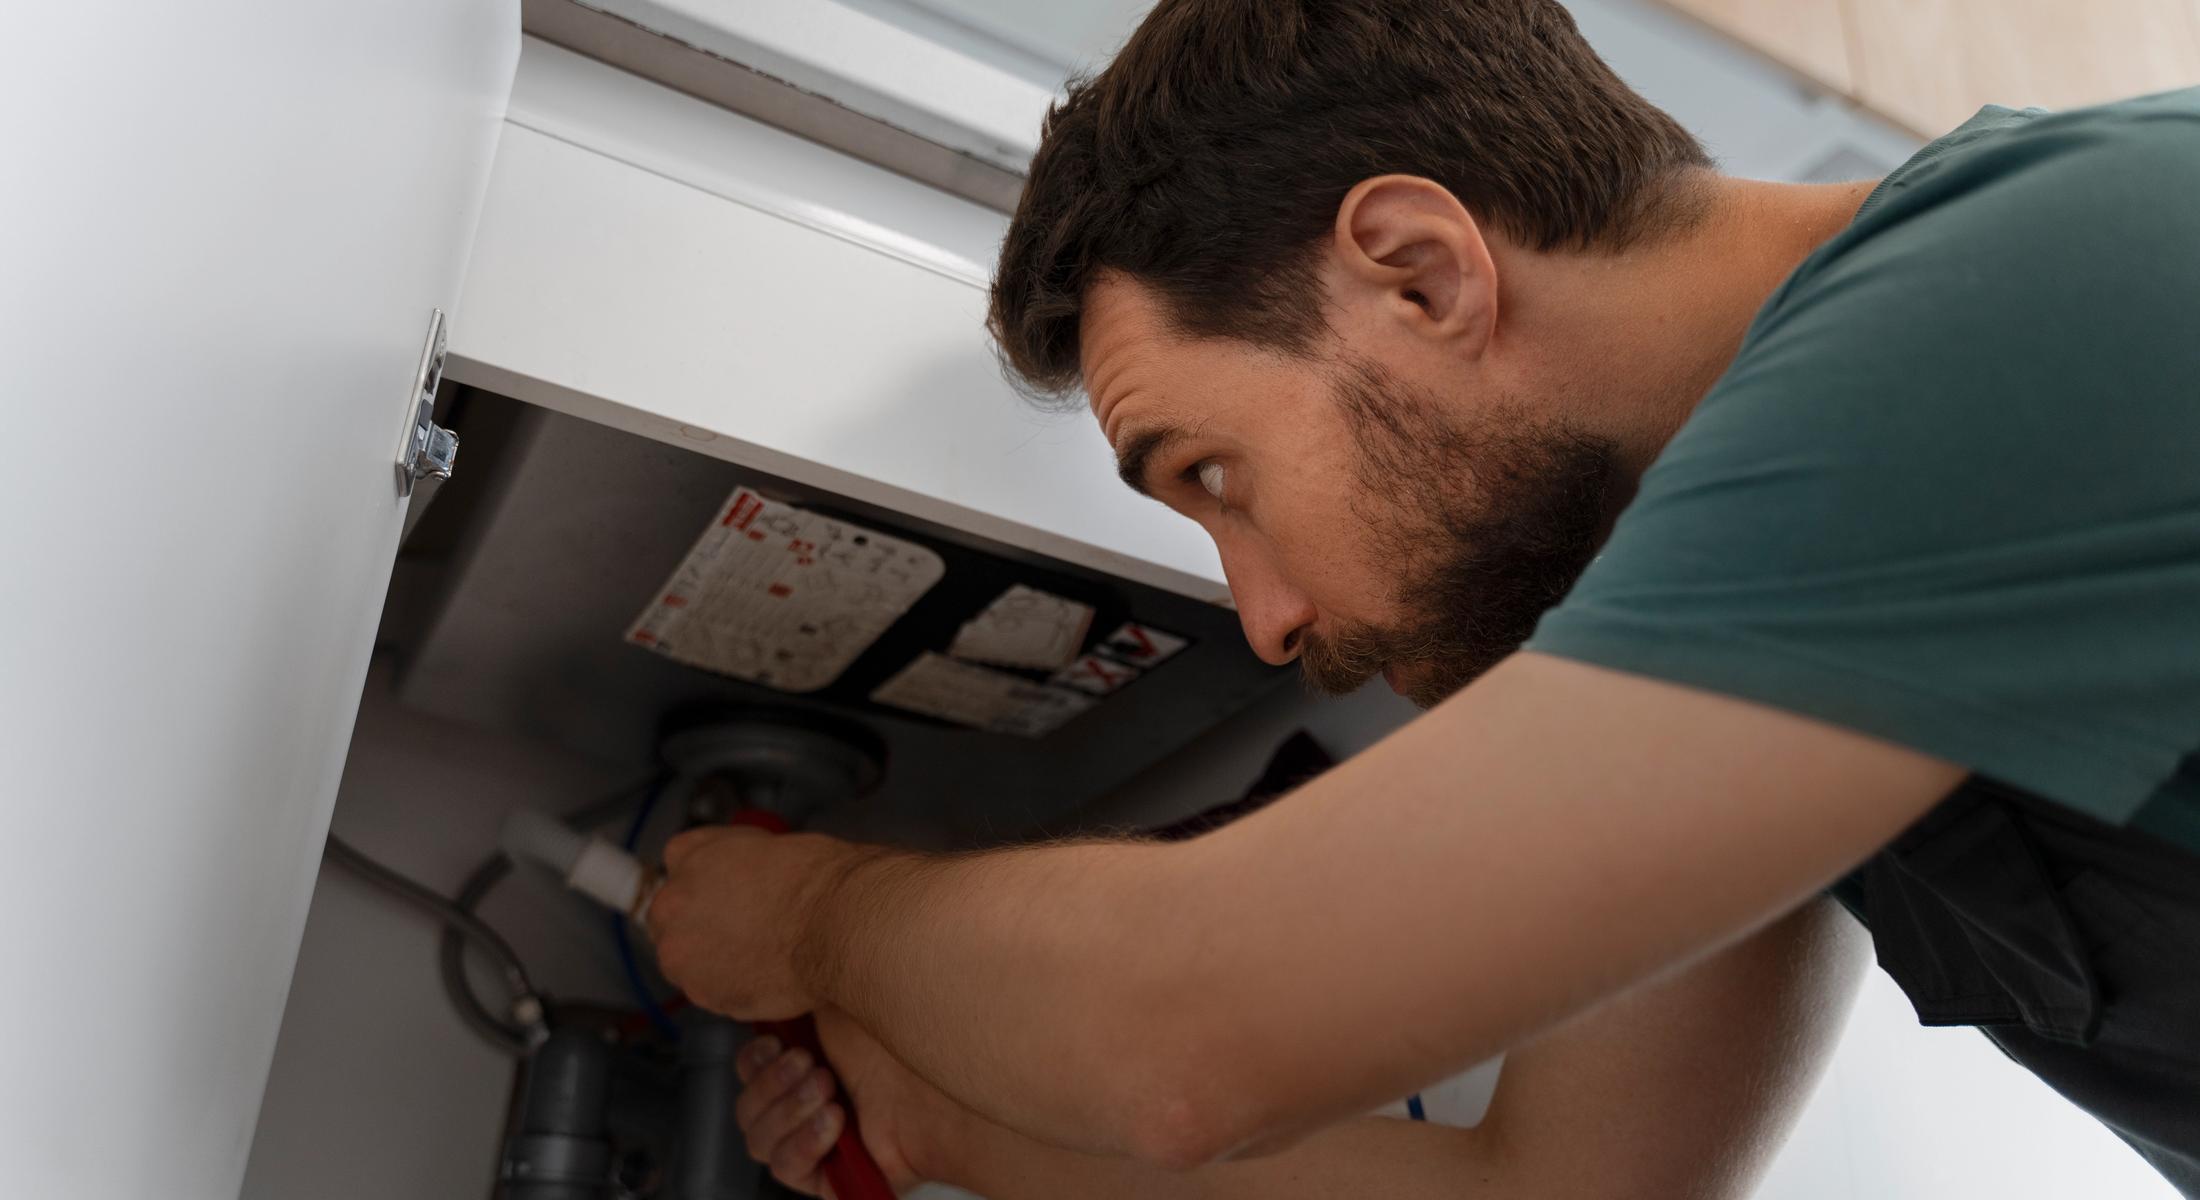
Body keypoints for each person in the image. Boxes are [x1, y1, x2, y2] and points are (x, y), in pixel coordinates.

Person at [645, 1, 2200, 1195]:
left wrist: (811, 918)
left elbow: (1187, 1026)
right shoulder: (1727, 574)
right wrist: (948, 1123)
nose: (1261, 618)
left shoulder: (2007, 305)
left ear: (1415, 272)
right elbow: (1566, 1184)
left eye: (1216, 476)